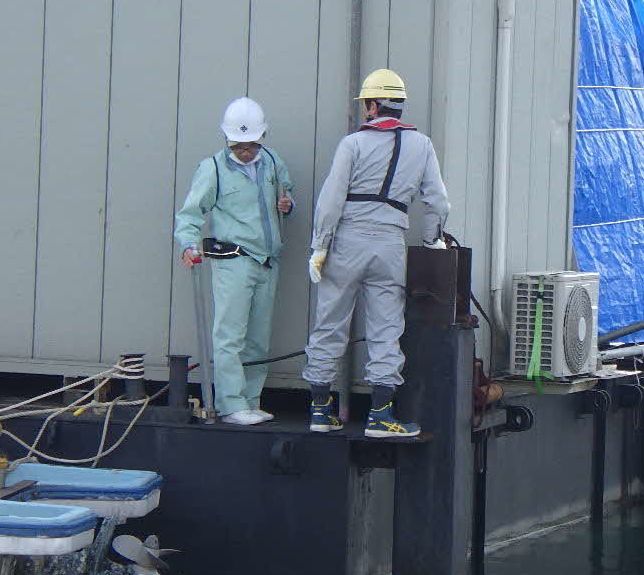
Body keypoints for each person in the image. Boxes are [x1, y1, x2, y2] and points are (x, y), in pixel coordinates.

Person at [302, 69, 450, 438]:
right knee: (386, 328)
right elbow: (439, 202)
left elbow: (331, 200)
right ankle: (381, 415)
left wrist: (320, 246)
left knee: (330, 322)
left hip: (347, 241)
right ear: (398, 106)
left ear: (371, 105)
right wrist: (432, 241)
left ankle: (320, 411)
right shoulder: (423, 146)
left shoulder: (352, 144)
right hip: (390, 243)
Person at [175, 97, 294, 426]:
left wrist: (287, 203)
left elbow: (287, 191)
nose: (245, 152)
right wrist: (187, 243)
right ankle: (230, 403)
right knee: (230, 334)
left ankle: (251, 399)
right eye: (239, 146)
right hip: (233, 260)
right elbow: (191, 212)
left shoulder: (271, 162)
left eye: (251, 145)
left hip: (267, 260)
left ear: (262, 138)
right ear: (227, 139)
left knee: (258, 335)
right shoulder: (212, 168)